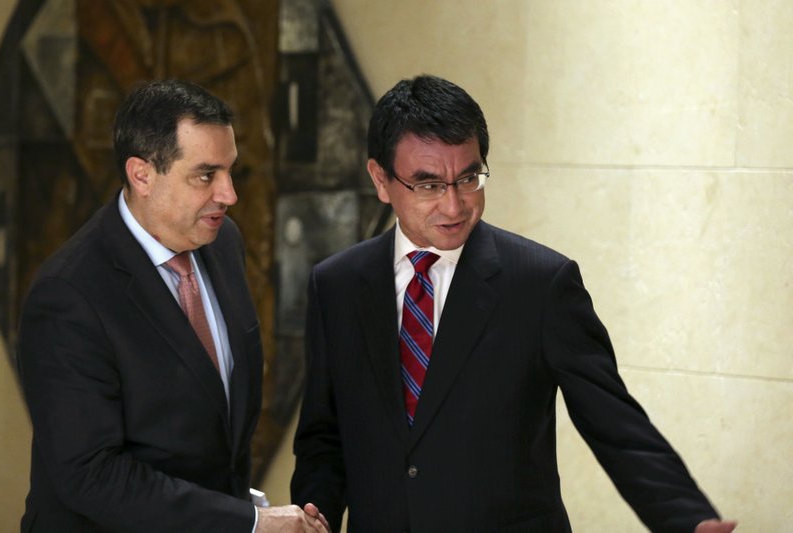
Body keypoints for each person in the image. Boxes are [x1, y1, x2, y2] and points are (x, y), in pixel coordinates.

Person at [290, 75, 737, 532]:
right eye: (428, 185)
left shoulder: (541, 284)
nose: (454, 205)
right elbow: (323, 438)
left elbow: (614, 423)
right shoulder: (337, 285)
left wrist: (687, 519)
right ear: (381, 180)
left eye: (468, 178)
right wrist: (312, 517)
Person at [17, 79, 328, 533]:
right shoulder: (68, 294)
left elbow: (208, 432)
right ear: (142, 175)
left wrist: (250, 509)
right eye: (206, 175)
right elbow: (91, 475)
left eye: (230, 171)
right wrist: (251, 523)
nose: (229, 194)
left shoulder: (224, 242)